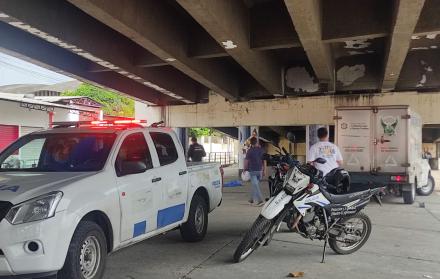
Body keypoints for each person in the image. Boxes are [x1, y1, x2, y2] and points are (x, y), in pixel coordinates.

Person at [244, 137, 265, 206]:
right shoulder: (261, 150)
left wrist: (244, 169)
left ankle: (260, 200)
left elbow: (246, 161)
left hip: (252, 170)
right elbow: (263, 160)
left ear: (251, 143)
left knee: (255, 185)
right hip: (259, 170)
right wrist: (264, 170)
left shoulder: (249, 151)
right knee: (255, 185)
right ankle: (251, 199)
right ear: (257, 142)